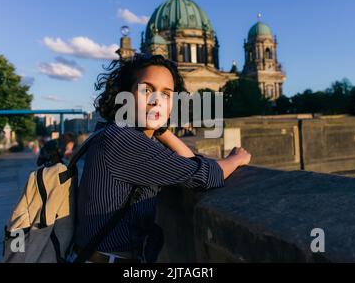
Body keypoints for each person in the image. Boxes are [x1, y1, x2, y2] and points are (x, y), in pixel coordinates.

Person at [74, 53, 251, 263]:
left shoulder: (115, 132)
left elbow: (188, 162)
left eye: (166, 94)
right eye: (146, 90)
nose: (156, 101)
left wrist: (161, 130)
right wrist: (235, 159)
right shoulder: (124, 141)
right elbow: (203, 176)